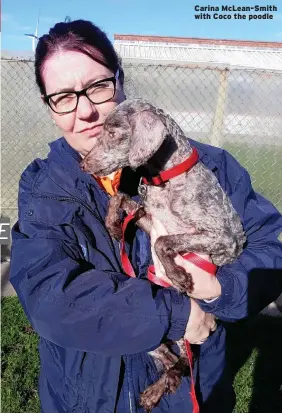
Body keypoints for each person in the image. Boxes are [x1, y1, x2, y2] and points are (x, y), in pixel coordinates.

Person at [9, 19, 282, 413]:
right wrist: (176, 314)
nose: (86, 111)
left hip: (193, 394)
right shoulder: (44, 188)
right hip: (90, 397)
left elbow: (269, 252)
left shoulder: (210, 168)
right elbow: (49, 295)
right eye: (64, 97)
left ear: (120, 81)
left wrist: (221, 290)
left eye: (98, 87)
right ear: (49, 107)